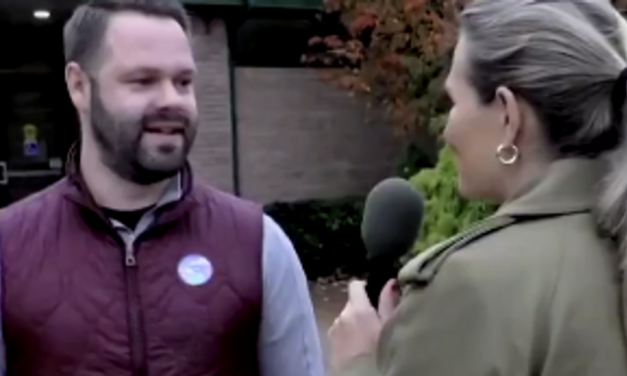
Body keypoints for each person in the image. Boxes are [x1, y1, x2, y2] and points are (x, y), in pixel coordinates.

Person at [0, 0, 325, 375]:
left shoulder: (260, 246)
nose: (172, 100)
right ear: (79, 86)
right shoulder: (9, 249)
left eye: (183, 82)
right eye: (143, 81)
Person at [329, 0, 627, 375]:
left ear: (508, 114)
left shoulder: (472, 283)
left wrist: (359, 362)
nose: (448, 128)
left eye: (453, 101)